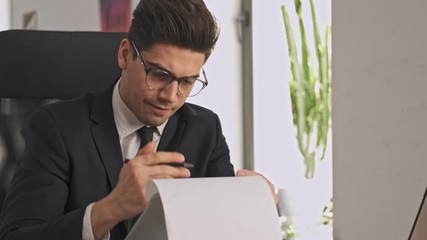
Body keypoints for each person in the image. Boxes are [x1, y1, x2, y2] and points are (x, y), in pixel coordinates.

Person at [0, 0, 277, 239]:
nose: (171, 96)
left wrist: (253, 208)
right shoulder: (56, 128)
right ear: (124, 54)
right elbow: (19, 236)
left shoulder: (205, 129)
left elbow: (221, 230)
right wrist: (110, 209)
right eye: (159, 74)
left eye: (187, 81)